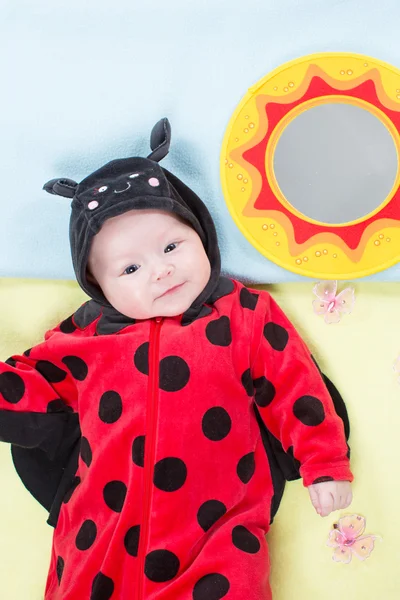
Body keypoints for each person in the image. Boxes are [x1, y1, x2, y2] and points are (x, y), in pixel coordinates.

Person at [0, 119, 353, 600]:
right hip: (97, 537)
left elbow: (296, 387)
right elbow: (29, 385)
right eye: (129, 268)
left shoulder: (243, 314)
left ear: (199, 232)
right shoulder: (83, 336)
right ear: (98, 286)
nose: (161, 269)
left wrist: (324, 462)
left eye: (171, 245)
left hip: (218, 537)